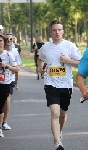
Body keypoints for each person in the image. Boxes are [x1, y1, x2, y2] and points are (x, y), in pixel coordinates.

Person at [38, 20, 82, 150]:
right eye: (54, 30)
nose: (57, 32)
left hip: (66, 85)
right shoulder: (45, 47)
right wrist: (41, 67)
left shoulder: (70, 46)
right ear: (51, 32)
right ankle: (57, 142)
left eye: (59, 30)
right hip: (51, 84)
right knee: (55, 112)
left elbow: (80, 63)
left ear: (63, 31)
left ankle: (59, 131)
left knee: (62, 114)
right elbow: (40, 59)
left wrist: (67, 60)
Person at [2, 33, 22, 130]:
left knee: (7, 99)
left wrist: (10, 68)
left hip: (9, 79)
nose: (9, 40)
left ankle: (4, 121)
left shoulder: (15, 52)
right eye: (7, 39)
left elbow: (18, 66)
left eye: (11, 39)